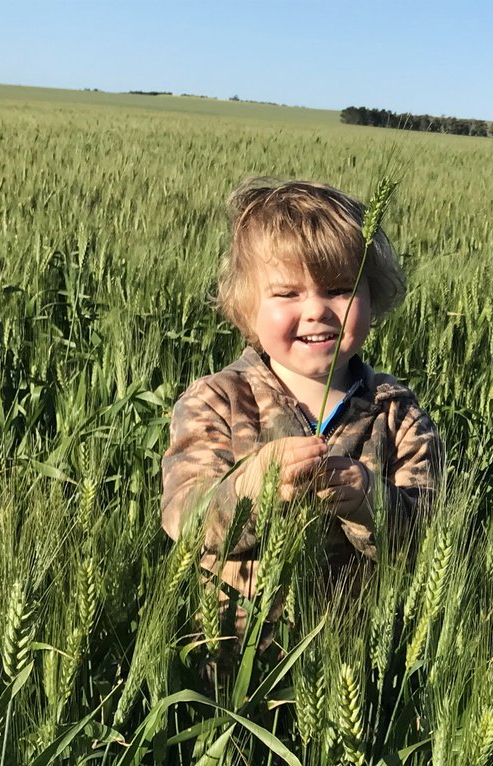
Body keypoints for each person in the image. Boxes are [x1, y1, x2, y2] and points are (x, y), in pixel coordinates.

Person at [161, 178, 442, 658]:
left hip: (356, 667)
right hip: (235, 657)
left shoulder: (397, 413)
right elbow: (182, 518)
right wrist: (249, 487)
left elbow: (432, 535)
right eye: (287, 293)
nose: (316, 310)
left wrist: (370, 500)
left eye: (339, 289)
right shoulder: (218, 402)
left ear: (373, 300)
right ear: (246, 309)